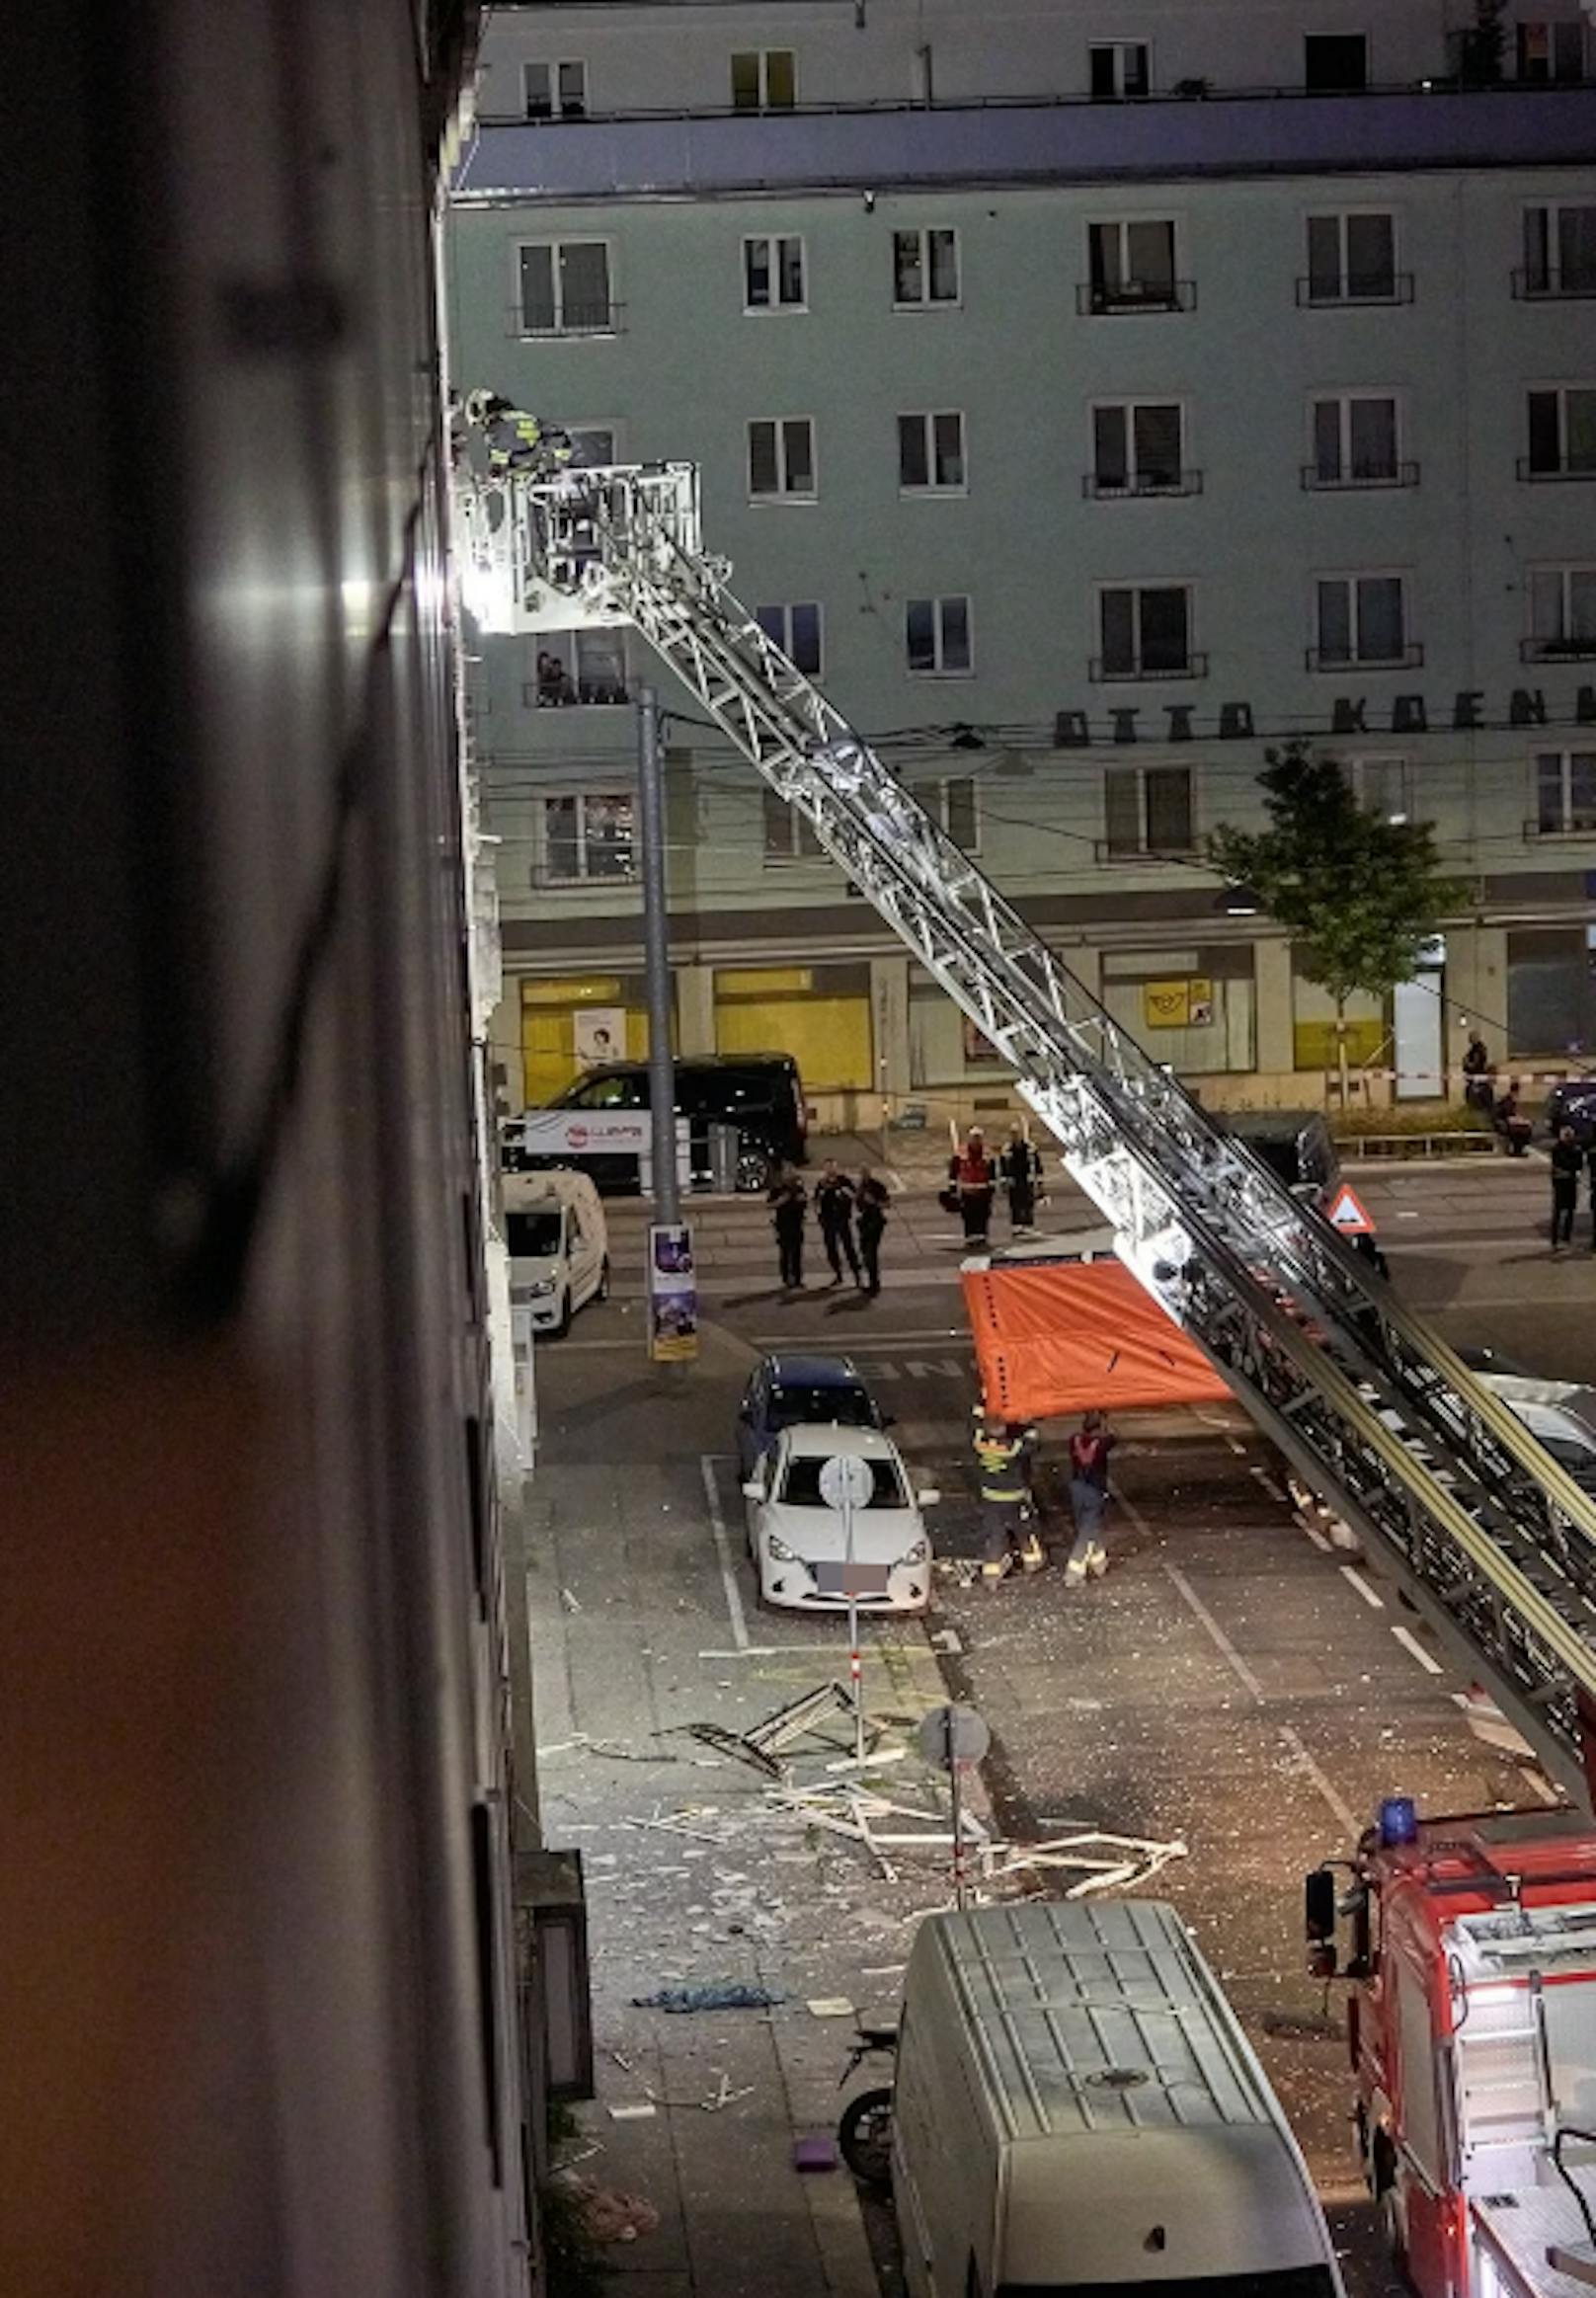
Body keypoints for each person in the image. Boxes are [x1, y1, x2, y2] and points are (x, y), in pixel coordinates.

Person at [975, 1416, 1032, 1580]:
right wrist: (1028, 1428)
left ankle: (991, 1575)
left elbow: (977, 1430)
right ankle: (1031, 1562)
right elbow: (1031, 1447)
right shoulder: (1011, 1447)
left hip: (990, 1497)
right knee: (1023, 1530)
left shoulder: (980, 1443)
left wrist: (981, 1414)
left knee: (995, 1534)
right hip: (1013, 1496)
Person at [1065, 1411, 1116, 1586]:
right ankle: (1074, 1571)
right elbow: (1113, 1436)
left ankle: (1098, 1562)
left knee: (1084, 1524)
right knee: (1089, 1527)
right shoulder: (1102, 1443)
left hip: (1077, 1488)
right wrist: (1106, 1420)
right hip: (1094, 1490)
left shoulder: (1074, 1440)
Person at [815, 1158, 862, 1288]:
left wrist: (846, 1193)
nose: (830, 1170)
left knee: (849, 1248)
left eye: (832, 1167)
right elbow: (816, 1202)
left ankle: (857, 1275)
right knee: (831, 1249)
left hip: (842, 1219)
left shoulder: (844, 1181)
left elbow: (855, 1196)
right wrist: (819, 1216)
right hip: (828, 1221)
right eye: (827, 1168)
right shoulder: (821, 1183)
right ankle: (838, 1273)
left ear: (836, 1168)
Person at [948, 1126, 996, 1246]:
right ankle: (970, 1236)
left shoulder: (987, 1153)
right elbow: (954, 1170)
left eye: (978, 1138)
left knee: (983, 1214)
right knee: (968, 1214)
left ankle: (982, 1236)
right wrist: (952, 1188)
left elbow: (992, 1172)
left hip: (982, 1189)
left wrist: (991, 1188)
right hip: (967, 1189)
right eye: (974, 1138)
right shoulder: (961, 1152)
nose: (976, 1140)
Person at [999, 1123, 1044, 1235]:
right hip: (1013, 1179)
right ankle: (1016, 1225)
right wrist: (1004, 1181)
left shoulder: (1030, 1147)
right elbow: (1003, 1166)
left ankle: (1028, 1224)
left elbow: (1037, 1164)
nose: (1015, 1136)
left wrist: (1039, 1182)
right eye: (1013, 1133)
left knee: (1028, 1201)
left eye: (1017, 1133)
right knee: (1015, 1202)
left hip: (1027, 1178)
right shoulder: (1007, 1148)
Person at [768, 1170, 808, 1291]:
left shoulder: (799, 1187)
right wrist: (782, 1200)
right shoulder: (778, 1189)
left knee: (797, 1252)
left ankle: (797, 1279)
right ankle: (786, 1278)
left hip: (797, 1224)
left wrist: (802, 1199)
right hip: (783, 1225)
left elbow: (805, 1201)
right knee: (785, 1252)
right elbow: (769, 1204)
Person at [856, 1167, 890, 1297]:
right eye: (861, 1173)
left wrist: (875, 1202)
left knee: (871, 1253)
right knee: (864, 1250)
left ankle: (874, 1284)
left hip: (876, 1222)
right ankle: (870, 1279)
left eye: (865, 1172)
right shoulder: (861, 1186)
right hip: (864, 1222)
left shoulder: (877, 1186)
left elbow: (887, 1204)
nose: (863, 1175)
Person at [1552, 1123, 1583, 1250]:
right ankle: (1555, 1239)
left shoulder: (1576, 1149)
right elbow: (1562, 1162)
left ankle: (1566, 1237)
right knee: (1558, 1211)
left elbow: (1578, 1164)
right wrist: (1571, 1166)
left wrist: (1570, 1166)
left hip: (1570, 1181)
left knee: (1570, 1210)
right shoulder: (1557, 1149)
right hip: (1560, 1182)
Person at [1462, 1031, 1495, 1114]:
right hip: (1476, 1078)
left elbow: (1475, 1065)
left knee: (1479, 1099)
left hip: (1478, 1078)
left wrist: (1467, 1063)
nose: (1469, 1040)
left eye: (1471, 1038)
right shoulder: (1474, 1049)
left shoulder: (1478, 1049)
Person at [1494, 1088, 1533, 1157]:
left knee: (1522, 1129)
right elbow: (1509, 1115)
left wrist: (1520, 1119)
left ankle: (1518, 1149)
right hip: (1503, 1124)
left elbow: (1512, 1114)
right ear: (1514, 1093)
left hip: (1504, 1123)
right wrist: (1520, 1121)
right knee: (1521, 1131)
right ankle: (1517, 1150)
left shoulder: (1507, 1100)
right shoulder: (1508, 1102)